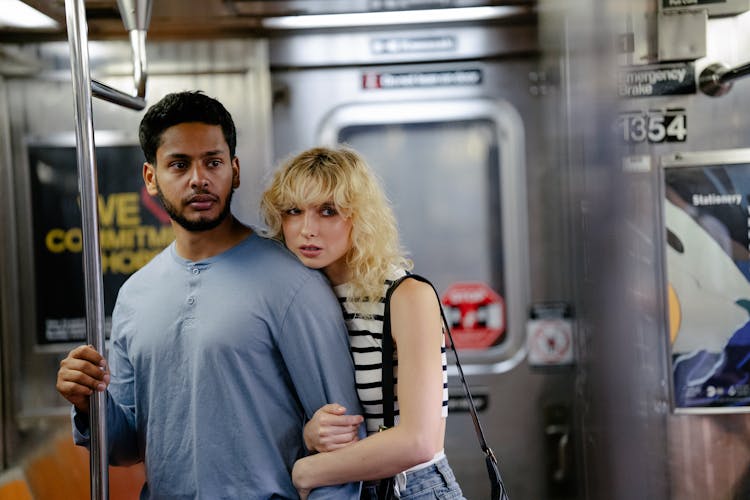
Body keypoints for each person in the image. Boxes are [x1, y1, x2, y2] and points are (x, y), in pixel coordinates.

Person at [55, 91, 363, 499]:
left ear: (234, 170)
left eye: (213, 162)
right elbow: (126, 447)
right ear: (151, 178)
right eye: (179, 164)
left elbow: (343, 447)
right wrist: (86, 401)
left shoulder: (292, 284)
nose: (199, 178)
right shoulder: (135, 295)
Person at [260, 146, 464, 499]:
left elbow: (419, 441)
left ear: (360, 216)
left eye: (328, 211)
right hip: (345, 491)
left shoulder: (407, 296)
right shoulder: (303, 300)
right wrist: (310, 435)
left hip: (412, 488)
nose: (307, 229)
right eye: (294, 211)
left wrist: (306, 469)